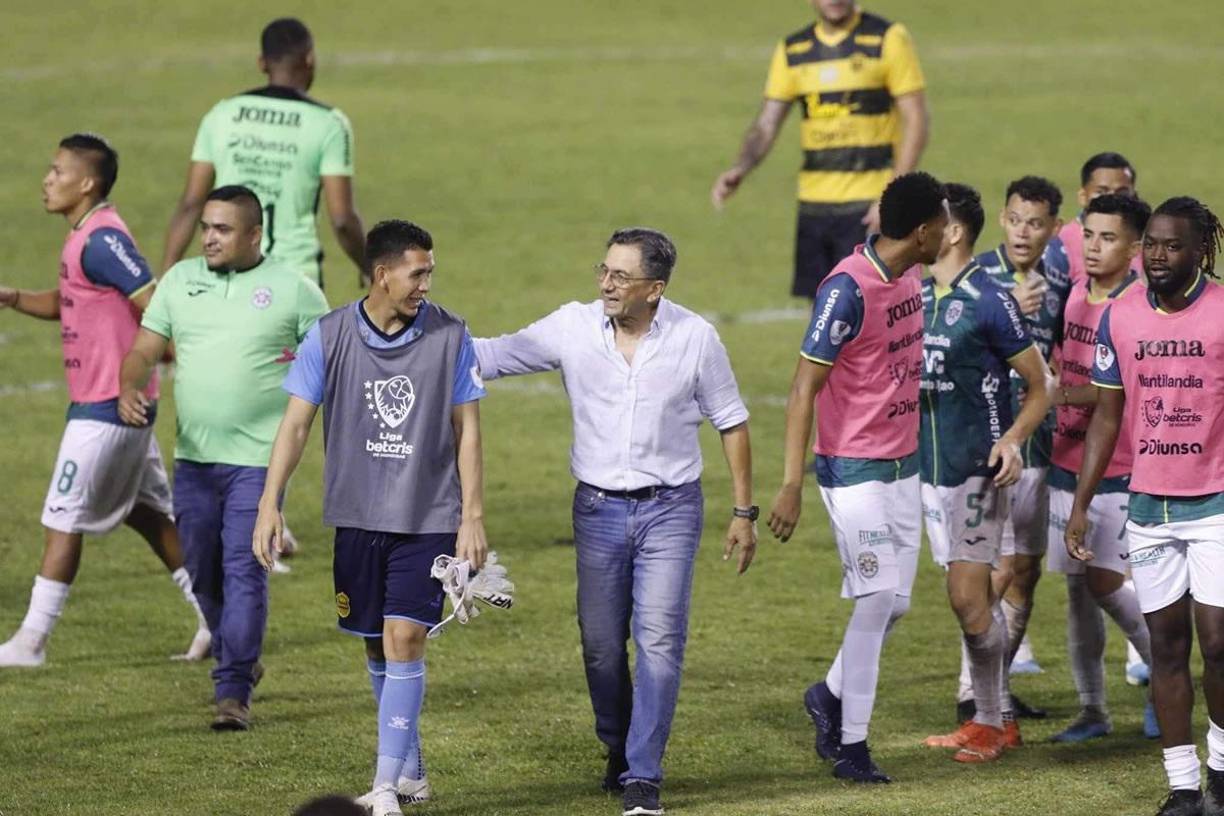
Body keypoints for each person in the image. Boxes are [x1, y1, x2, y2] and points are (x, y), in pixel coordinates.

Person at [474, 227, 756, 816]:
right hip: (598, 510)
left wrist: (742, 512)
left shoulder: (696, 339)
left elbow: (731, 421)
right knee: (601, 647)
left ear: (654, 289)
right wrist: (415, 341)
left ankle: (643, 775)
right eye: (604, 270)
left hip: (672, 510)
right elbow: (493, 356)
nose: (605, 282)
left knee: (658, 640)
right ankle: (619, 745)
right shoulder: (572, 327)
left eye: (621, 276)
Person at [252, 220, 487, 816]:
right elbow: (297, 423)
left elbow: (468, 432)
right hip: (357, 517)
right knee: (375, 645)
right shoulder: (328, 336)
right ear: (382, 274)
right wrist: (269, 501)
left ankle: (383, 790)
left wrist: (473, 516)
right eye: (418, 273)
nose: (426, 285)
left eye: (429, 273)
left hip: (428, 514)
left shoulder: (451, 335)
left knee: (404, 636)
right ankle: (410, 770)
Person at [120, 185, 328, 730]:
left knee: (244, 570)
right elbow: (145, 348)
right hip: (193, 458)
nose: (208, 236)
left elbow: (334, 355)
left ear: (254, 236)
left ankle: (232, 690)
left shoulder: (294, 290)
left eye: (222, 229)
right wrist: (128, 387)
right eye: (206, 226)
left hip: (259, 462)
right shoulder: (181, 282)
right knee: (201, 572)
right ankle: (240, 655)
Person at [0, 133, 207, 668]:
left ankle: (31, 642)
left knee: (62, 517)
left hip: (110, 408)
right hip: (111, 405)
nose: (47, 179)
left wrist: (150, 373)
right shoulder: (83, 237)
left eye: (57, 170)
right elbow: (72, 302)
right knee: (150, 514)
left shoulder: (102, 241)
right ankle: (217, 619)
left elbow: (155, 305)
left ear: (86, 183)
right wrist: (16, 297)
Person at [768, 171, 947, 782]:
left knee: (895, 603)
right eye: (944, 225)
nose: (949, 234)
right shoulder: (846, 291)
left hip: (905, 466)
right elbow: (802, 386)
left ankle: (827, 694)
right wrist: (791, 483)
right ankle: (853, 746)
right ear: (922, 233)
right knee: (876, 598)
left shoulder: (913, 271)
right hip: (853, 470)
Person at [1069, 196, 1224, 816]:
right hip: (1149, 506)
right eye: (1152, 244)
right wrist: (1082, 502)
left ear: (1201, 252)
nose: (1158, 256)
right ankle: (1182, 784)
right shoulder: (1122, 315)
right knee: (1165, 646)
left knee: (1217, 643)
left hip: (1216, 501)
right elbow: (1107, 415)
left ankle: (1222, 767)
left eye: (1172, 246)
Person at [916, 183, 1051, 762]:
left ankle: (990, 721)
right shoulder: (915, 295)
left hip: (976, 471)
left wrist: (1014, 440)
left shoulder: (990, 301)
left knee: (970, 598)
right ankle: (998, 720)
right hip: (926, 469)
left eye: (926, 222)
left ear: (951, 231)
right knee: (967, 600)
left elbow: (1040, 385)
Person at [711, 0, 929, 298]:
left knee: (871, 310)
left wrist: (892, 196)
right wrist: (740, 167)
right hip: (815, 208)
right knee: (822, 314)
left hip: (869, 206)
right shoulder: (793, 50)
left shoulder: (887, 38)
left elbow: (916, 120)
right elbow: (766, 123)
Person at [1046, 194, 1158, 743]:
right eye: (1088, 235)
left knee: (1107, 582)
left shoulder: (1137, 307)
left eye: (1108, 238)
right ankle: (1093, 709)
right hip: (1066, 462)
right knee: (1077, 591)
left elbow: (1114, 390)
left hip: (1118, 467)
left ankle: (1165, 674)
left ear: (1135, 248)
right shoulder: (1074, 294)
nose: (1093, 247)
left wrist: (1056, 395)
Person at [162, 17, 364, 289]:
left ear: (262, 63)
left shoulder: (223, 114)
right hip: (295, 281)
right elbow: (342, 220)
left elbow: (190, 204)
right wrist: (368, 265)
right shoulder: (328, 123)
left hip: (227, 278)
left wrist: (166, 279)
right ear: (310, 60)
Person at [975, 176, 1067, 703]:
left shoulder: (1061, 278)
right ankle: (974, 690)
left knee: (1026, 571)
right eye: (1014, 220)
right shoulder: (979, 277)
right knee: (996, 567)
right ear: (1002, 219)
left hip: (1039, 439)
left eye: (1035, 223)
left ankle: (997, 691)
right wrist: (1007, 309)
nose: (1022, 232)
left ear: (1053, 229)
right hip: (990, 435)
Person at [1045, 152, 1140, 285]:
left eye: (1122, 193)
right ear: (1083, 196)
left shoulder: (1146, 243)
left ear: (1134, 196)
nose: (1112, 199)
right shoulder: (1060, 245)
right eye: (1101, 192)